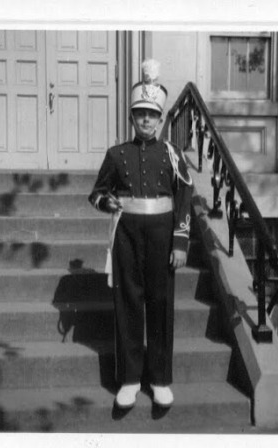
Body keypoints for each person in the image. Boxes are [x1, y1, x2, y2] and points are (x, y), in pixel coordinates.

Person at [88, 59, 193, 409]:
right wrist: (109, 203)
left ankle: (160, 379)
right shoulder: (116, 155)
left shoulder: (173, 154)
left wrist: (180, 241)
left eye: (152, 114)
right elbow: (96, 194)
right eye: (140, 114)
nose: (146, 120)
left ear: (161, 119)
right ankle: (130, 379)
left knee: (160, 306)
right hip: (128, 236)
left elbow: (184, 197)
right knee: (129, 303)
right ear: (132, 118)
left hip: (163, 235)